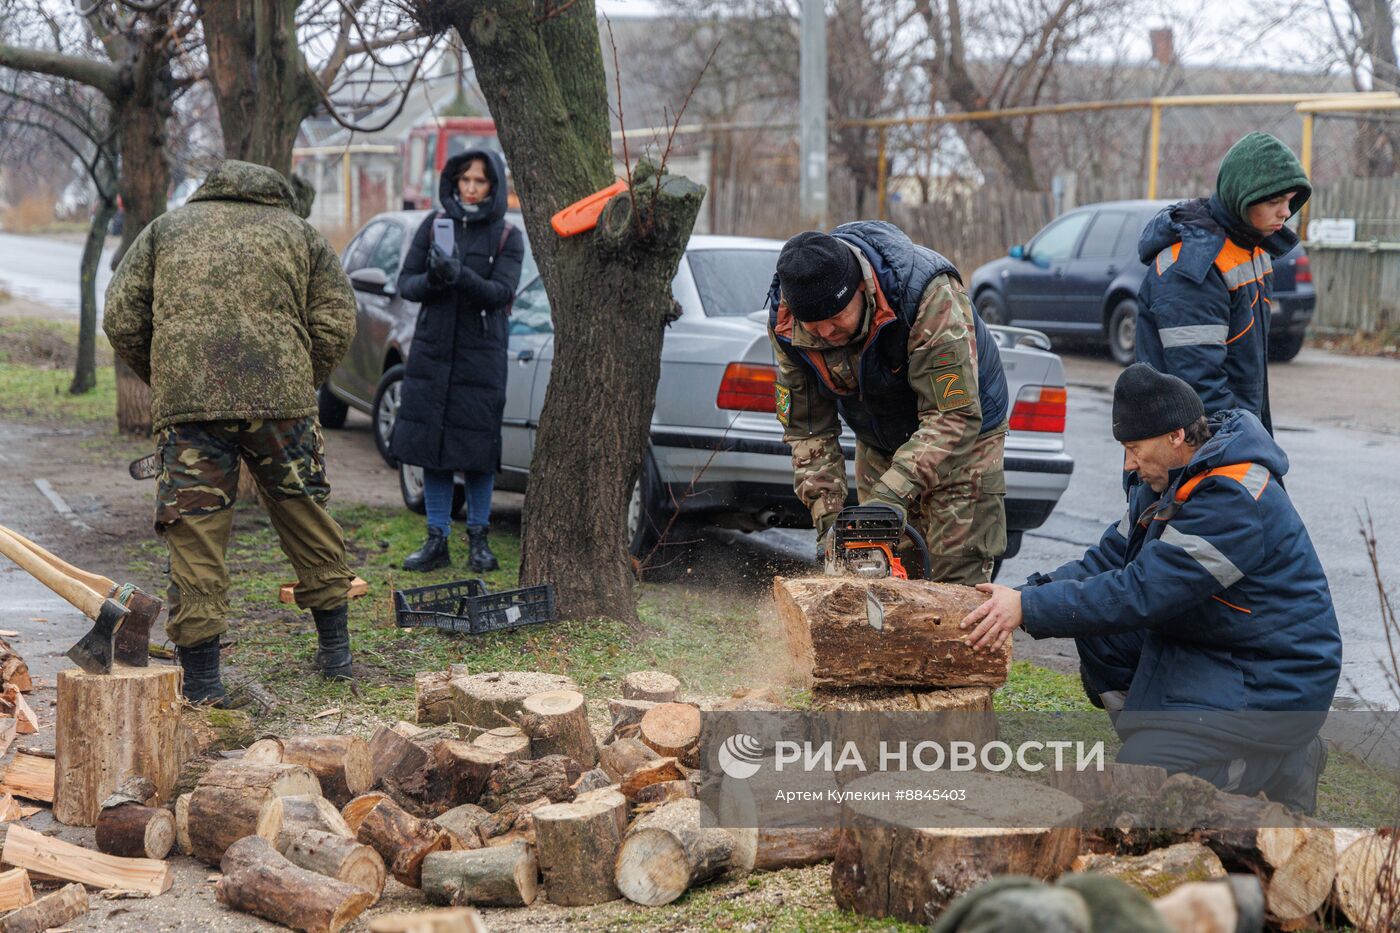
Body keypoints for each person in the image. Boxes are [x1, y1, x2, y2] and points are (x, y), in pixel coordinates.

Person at [960, 363, 1341, 813]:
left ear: (1176, 436)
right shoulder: (1164, 482)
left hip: (1276, 676)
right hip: (1217, 645)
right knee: (1102, 640)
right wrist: (1020, 596)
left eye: (1134, 448)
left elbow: (1140, 592)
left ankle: (1276, 762)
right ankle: (1165, 735)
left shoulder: (1235, 499)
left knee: (1148, 783)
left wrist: (1029, 607)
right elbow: (1105, 561)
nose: (1129, 463)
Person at [103, 159, 359, 703]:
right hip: (282, 405)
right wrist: (298, 378)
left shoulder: (165, 230)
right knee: (304, 511)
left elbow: (122, 317)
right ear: (276, 193)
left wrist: (171, 378)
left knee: (194, 535)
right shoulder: (301, 234)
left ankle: (203, 685)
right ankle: (336, 657)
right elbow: (337, 318)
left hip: (191, 409)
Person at [767, 222, 1009, 584]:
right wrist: (830, 526)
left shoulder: (928, 297)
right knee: (878, 571)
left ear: (861, 290)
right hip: (880, 439)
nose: (826, 334)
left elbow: (954, 416)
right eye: (813, 327)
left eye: (835, 320)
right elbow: (808, 430)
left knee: (954, 581)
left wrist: (890, 496)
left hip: (963, 441)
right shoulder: (788, 326)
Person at [394, 148, 524, 574]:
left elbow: (501, 293)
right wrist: (434, 278)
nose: (470, 188)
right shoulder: (434, 226)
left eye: (479, 181)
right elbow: (407, 285)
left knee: (477, 452)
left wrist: (459, 276)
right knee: (433, 450)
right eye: (464, 179)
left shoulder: (507, 235)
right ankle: (436, 540)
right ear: (453, 181)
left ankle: (479, 542)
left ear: (493, 185)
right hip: (433, 353)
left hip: (479, 358)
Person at [1136, 131, 1312, 435]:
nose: (1285, 212)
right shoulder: (1193, 265)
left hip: (1235, 435)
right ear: (1241, 199)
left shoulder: (1253, 247)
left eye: (1289, 201)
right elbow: (1199, 390)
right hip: (1191, 452)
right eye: (1274, 201)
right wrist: (1245, 448)